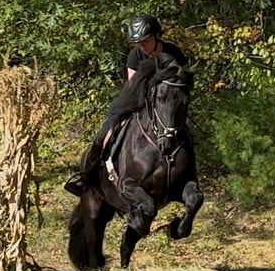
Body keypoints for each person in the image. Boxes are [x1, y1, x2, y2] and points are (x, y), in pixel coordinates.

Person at [64, 15, 187, 196]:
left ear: (157, 36)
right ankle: (86, 177)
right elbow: (133, 86)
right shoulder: (134, 56)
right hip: (134, 101)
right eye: (138, 43)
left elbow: (182, 82)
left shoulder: (173, 52)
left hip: (166, 105)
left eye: (145, 41)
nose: (141, 46)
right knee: (104, 135)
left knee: (185, 134)